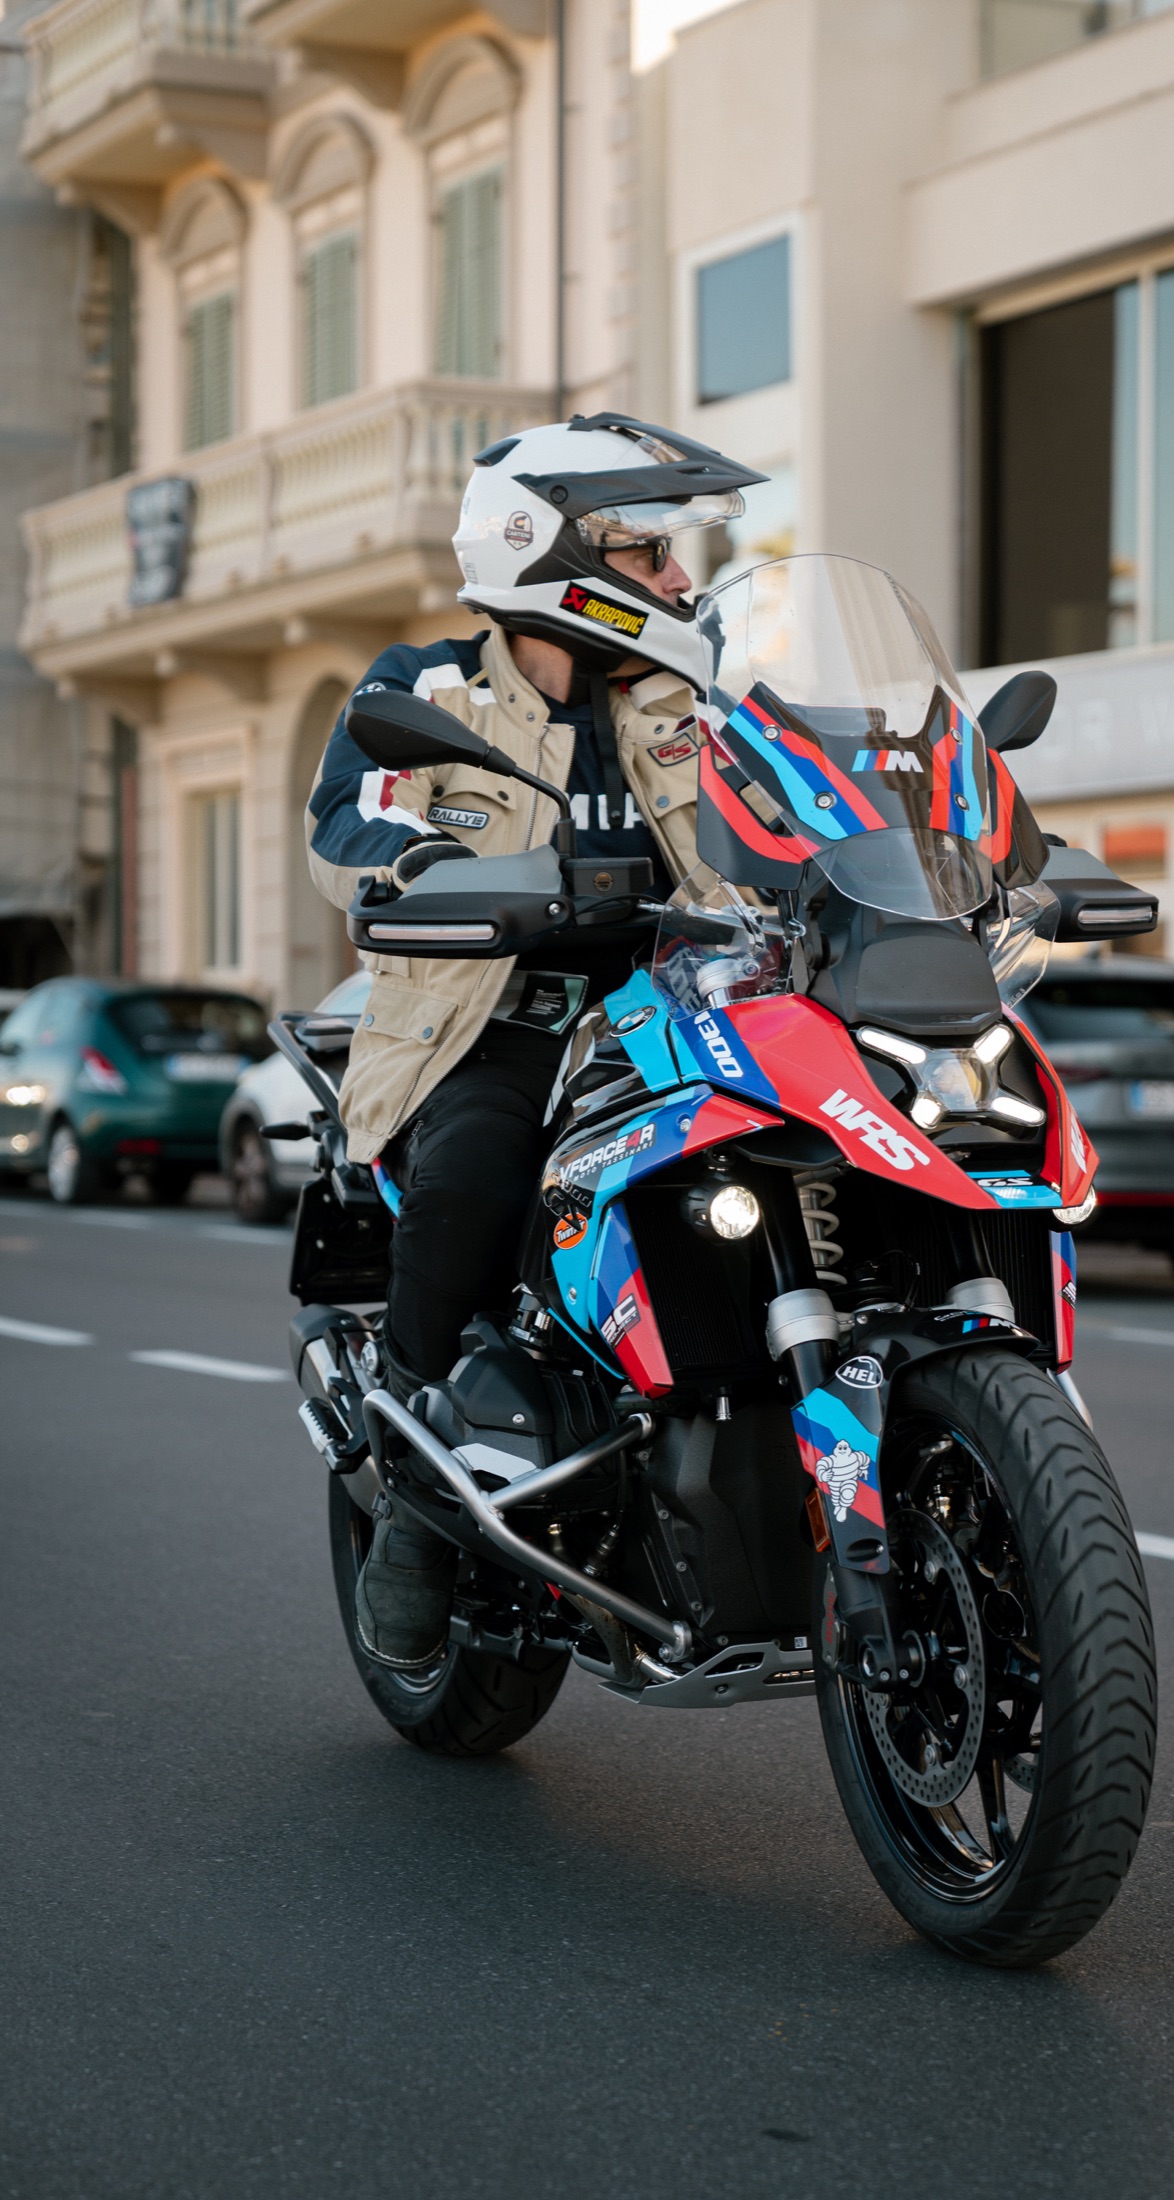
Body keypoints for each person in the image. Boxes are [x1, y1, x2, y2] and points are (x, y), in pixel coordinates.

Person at [305, 414, 765, 1671]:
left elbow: (802, 819)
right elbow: (347, 831)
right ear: (551, 553)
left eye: (677, 559)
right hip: (490, 1024)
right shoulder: (425, 691)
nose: (679, 582)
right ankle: (412, 1501)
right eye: (649, 555)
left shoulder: (693, 701)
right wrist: (426, 869)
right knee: (472, 1177)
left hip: (672, 1021)